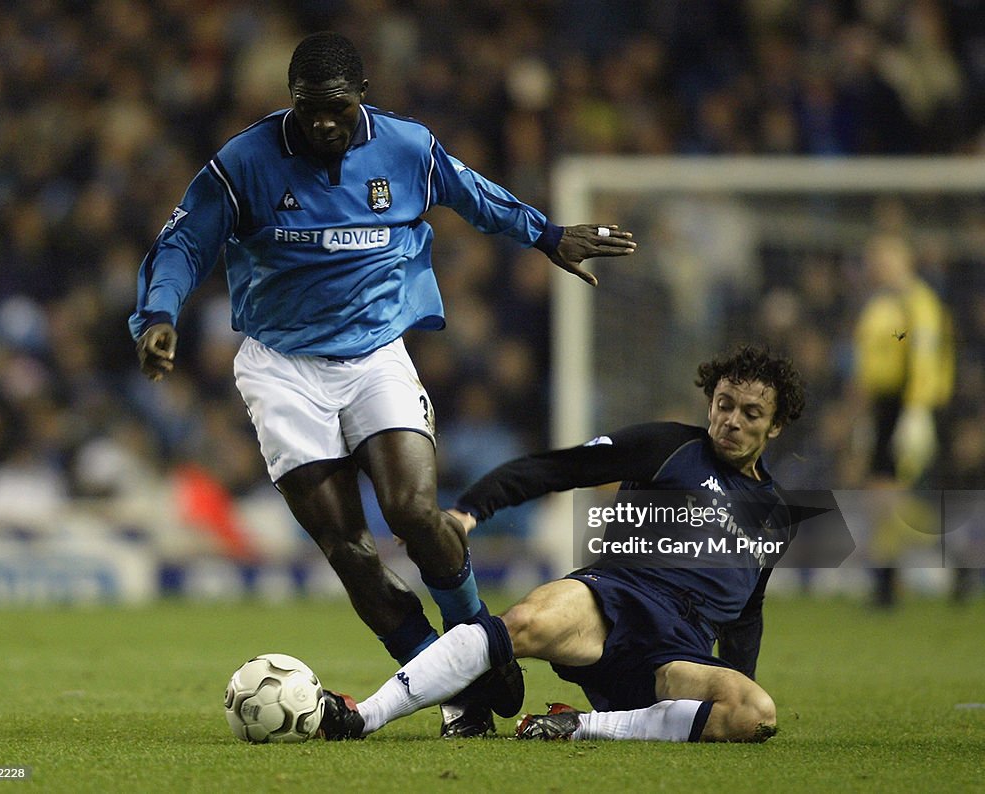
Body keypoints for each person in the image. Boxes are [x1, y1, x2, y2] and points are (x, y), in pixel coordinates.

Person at [129, 31, 636, 737]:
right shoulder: (244, 162)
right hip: (281, 366)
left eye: (336, 108)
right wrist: (157, 316)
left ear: (361, 98)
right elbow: (183, 242)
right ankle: (452, 687)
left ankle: (477, 637)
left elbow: (474, 195)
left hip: (374, 354)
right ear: (292, 101)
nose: (323, 124)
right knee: (348, 548)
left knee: (414, 511)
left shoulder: (405, 147)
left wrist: (548, 236)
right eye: (308, 110)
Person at [319, 345, 807, 742]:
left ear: (776, 425)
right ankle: (364, 716)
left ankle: (581, 726)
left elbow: (746, 613)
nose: (732, 421)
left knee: (754, 712)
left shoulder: (779, 516)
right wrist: (471, 510)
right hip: (614, 599)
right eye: (724, 405)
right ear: (710, 402)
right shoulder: (670, 447)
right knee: (524, 620)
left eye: (751, 412)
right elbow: (560, 468)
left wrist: (737, 676)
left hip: (682, 648)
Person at [852, 233, 955, 607]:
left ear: (905, 260)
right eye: (874, 258)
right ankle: (889, 580)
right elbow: (868, 362)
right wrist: (865, 413)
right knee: (882, 495)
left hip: (909, 403)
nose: (878, 265)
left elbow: (925, 356)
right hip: (883, 406)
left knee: (890, 494)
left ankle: (943, 554)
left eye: (886, 257)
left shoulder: (919, 302)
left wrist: (917, 410)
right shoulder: (879, 305)